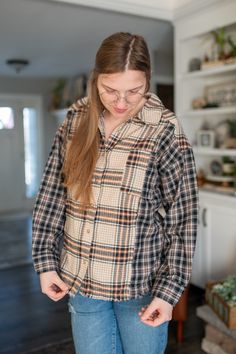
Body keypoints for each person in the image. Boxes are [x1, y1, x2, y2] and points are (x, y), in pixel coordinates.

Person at [32, 32, 199, 354]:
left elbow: (184, 218)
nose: (121, 102)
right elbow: (52, 194)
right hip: (81, 282)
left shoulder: (164, 128)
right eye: (110, 90)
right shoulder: (75, 120)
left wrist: (168, 292)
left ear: (147, 82)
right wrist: (45, 263)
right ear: (96, 80)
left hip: (140, 286)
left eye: (134, 91)